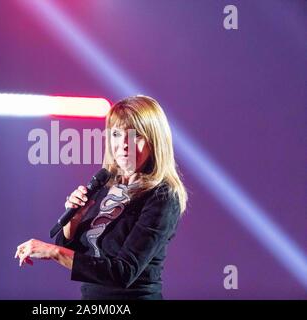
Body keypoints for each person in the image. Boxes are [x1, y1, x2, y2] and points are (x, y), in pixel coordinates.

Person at [14, 95, 188, 300]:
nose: (124, 144)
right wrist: (76, 219)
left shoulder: (162, 196)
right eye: (116, 133)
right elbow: (78, 251)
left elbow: (122, 272)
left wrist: (53, 252)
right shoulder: (106, 184)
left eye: (136, 135)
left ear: (155, 141)